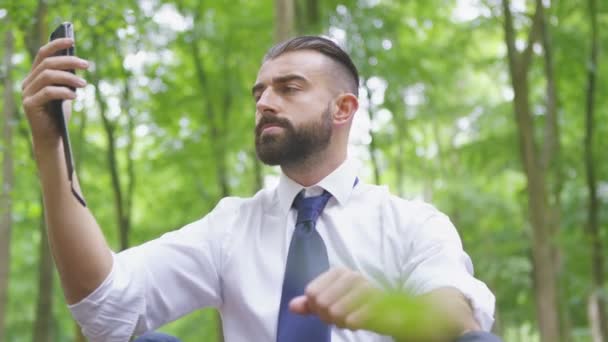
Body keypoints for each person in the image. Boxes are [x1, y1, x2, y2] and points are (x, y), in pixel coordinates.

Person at [21, 35, 499, 342]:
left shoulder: (411, 222)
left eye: (289, 88)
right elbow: (104, 306)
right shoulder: (229, 225)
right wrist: (50, 145)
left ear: (343, 109)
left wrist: (390, 310)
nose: (265, 102)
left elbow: (458, 320)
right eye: (259, 93)